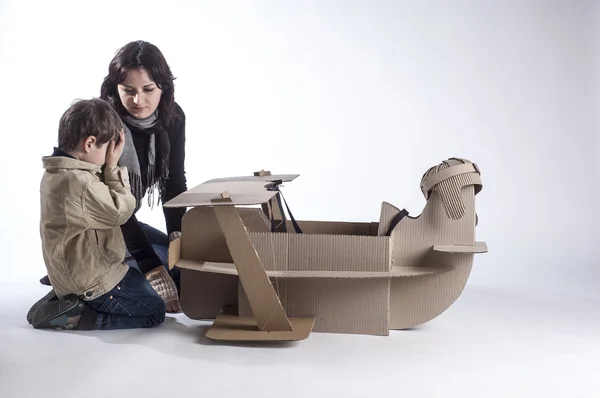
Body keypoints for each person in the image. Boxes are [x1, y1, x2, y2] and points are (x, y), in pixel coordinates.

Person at [39, 40, 188, 313]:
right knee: (161, 268)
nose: (138, 101)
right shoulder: (102, 122)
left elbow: (174, 183)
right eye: (128, 90)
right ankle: (84, 282)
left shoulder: (173, 118)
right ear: (115, 87)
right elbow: (108, 208)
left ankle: (96, 277)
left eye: (148, 90)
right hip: (103, 227)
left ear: (164, 87)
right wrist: (150, 265)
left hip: (123, 216)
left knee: (182, 269)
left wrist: (179, 237)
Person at [28, 98, 166, 331]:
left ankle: (67, 297)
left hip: (73, 271)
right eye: (106, 149)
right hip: (93, 281)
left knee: (145, 273)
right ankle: (78, 316)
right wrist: (112, 168)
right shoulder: (81, 184)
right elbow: (121, 211)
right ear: (90, 143)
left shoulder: (57, 173)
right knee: (156, 310)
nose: (108, 155)